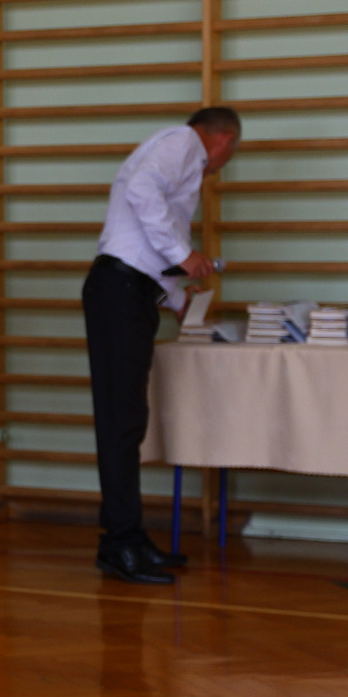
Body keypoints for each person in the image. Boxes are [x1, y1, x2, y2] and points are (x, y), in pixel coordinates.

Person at [84, 106, 242, 585]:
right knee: (120, 419)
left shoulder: (183, 157)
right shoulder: (182, 143)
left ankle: (129, 538)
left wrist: (175, 297)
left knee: (129, 419)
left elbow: (148, 246)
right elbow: (141, 191)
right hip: (118, 291)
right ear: (224, 140)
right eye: (230, 153)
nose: (222, 166)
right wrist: (185, 255)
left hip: (131, 291)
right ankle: (119, 544)